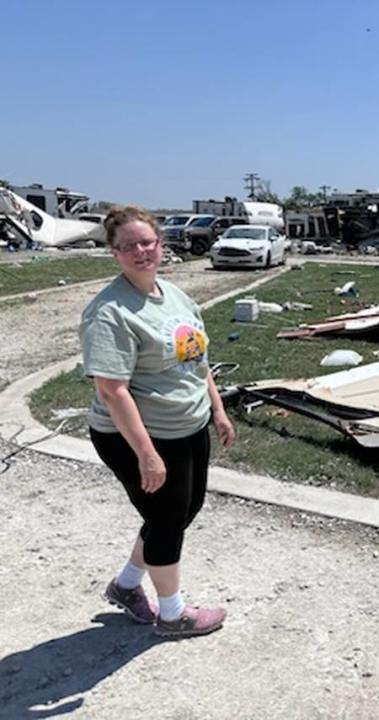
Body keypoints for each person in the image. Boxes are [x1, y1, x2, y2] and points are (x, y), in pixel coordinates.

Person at [79, 206, 235, 639]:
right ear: (114, 253)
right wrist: (146, 454)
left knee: (183, 510)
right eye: (128, 245)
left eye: (147, 242)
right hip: (137, 436)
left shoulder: (175, 296)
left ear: (161, 244)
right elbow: (113, 391)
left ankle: (126, 586)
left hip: (188, 426)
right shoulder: (110, 311)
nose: (141, 251)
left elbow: (196, 358)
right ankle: (173, 615)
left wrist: (217, 409)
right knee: (167, 519)